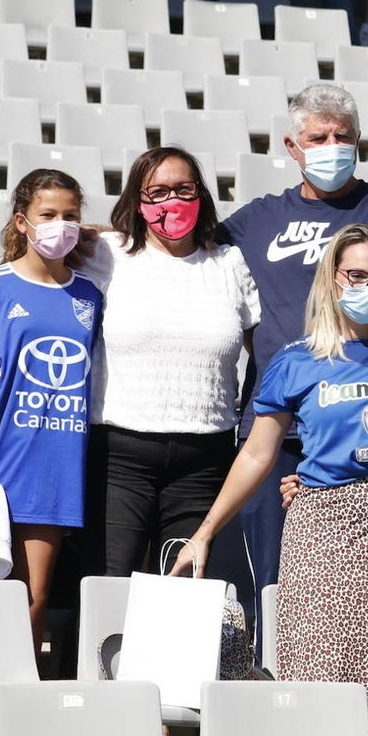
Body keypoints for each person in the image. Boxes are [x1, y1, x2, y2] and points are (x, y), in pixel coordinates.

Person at [171, 225, 368, 736]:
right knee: (324, 664)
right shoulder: (296, 361)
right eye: (357, 276)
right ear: (332, 281)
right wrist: (206, 531)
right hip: (325, 529)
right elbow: (256, 453)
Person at [217, 82, 368, 647]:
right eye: (318, 137)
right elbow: (179, 251)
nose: (332, 146)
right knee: (273, 591)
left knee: (365, 604)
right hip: (278, 432)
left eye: (343, 137)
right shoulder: (258, 219)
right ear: (292, 145)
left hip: (362, 435)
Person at [78, 146, 260, 578]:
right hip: (118, 457)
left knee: (182, 597)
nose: (171, 201)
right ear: (137, 201)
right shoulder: (106, 253)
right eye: (157, 192)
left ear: (201, 195)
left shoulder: (230, 263)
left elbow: (265, 350)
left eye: (183, 189)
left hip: (205, 460)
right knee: (108, 586)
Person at [0, 169, 102, 652]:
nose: (60, 225)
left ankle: (21, 707)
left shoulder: (90, 295)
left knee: (32, 598)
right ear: (21, 221)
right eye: (48, 215)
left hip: (56, 466)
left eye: (70, 216)